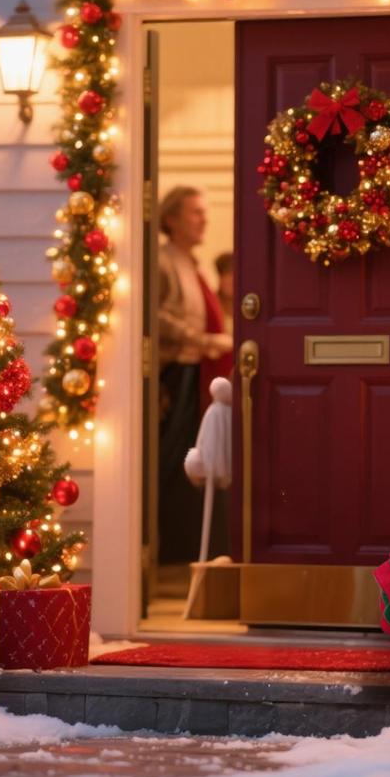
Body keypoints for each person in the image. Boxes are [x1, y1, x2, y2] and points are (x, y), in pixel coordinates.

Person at [156, 187, 232, 565]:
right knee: (176, 461)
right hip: (177, 374)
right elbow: (154, 315)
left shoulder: (188, 261)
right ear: (171, 218)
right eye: (195, 213)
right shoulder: (163, 261)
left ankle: (185, 549)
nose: (203, 219)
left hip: (194, 371)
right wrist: (200, 340)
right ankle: (173, 551)